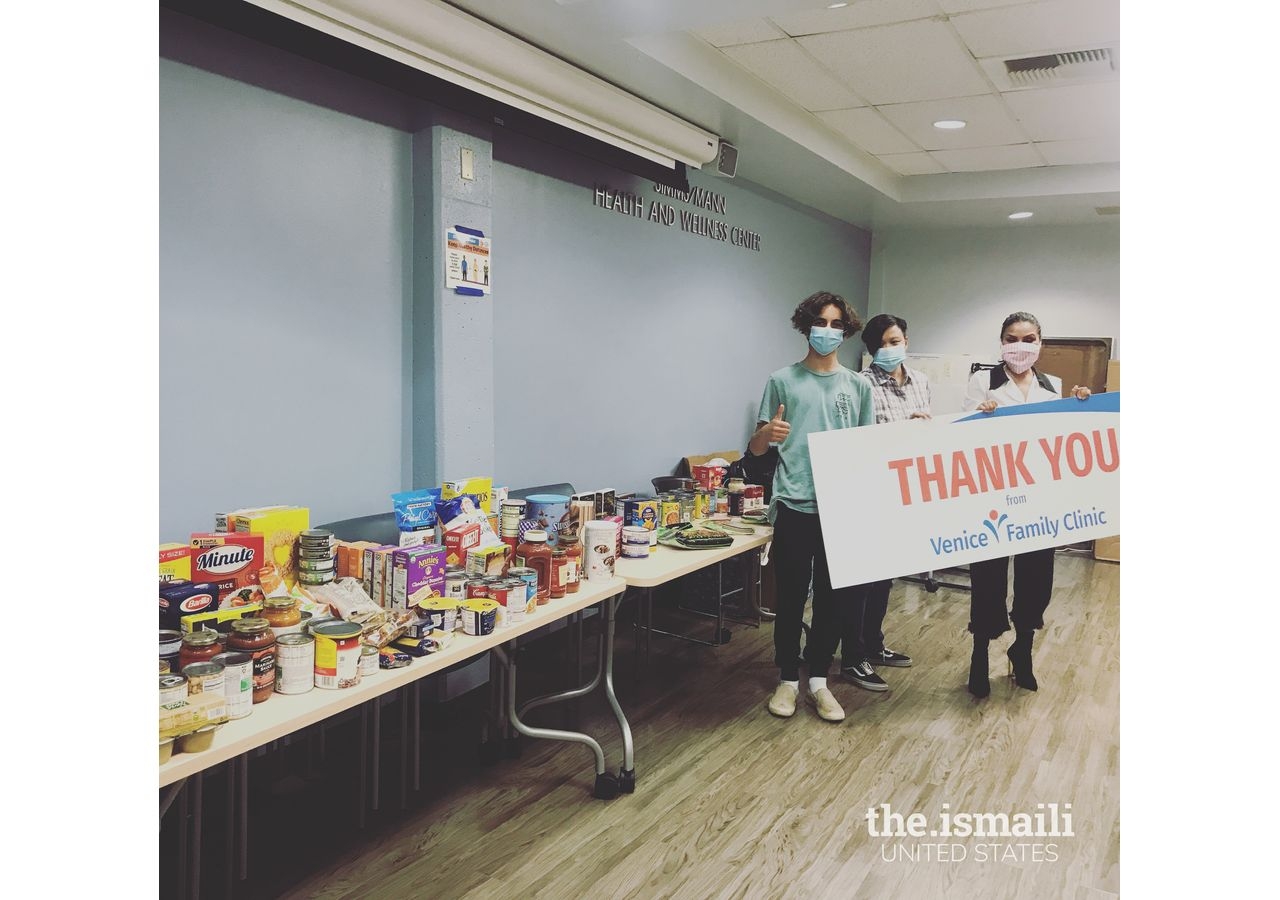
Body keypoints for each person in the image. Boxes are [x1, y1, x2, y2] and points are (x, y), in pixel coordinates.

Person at [749, 291, 875, 723]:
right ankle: (787, 678)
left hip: (839, 507)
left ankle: (819, 680)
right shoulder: (781, 380)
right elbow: (757, 449)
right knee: (789, 597)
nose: (828, 331)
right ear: (807, 326)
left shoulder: (858, 386)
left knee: (832, 599)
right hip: (794, 502)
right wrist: (768, 432)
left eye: (837, 324)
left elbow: (866, 449)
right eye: (821, 322)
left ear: (846, 331)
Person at [961, 311, 1091, 698]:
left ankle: (1023, 649)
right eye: (1012, 338)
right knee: (988, 578)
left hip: (1038, 499)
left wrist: (1080, 406)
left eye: (1029, 338)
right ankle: (980, 654)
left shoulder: (1053, 384)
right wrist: (977, 417)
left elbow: (1062, 438)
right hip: (992, 497)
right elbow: (960, 439)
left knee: (1036, 579)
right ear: (1002, 343)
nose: (1021, 346)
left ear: (1040, 343)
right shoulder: (983, 381)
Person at [838, 314, 929, 693]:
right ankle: (852, 657)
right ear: (871, 349)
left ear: (907, 341)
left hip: (903, 491)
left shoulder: (922, 382)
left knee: (884, 578)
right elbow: (853, 440)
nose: (890, 350)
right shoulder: (860, 384)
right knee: (861, 580)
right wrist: (899, 433)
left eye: (896, 341)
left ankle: (874, 644)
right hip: (869, 490)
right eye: (882, 344)